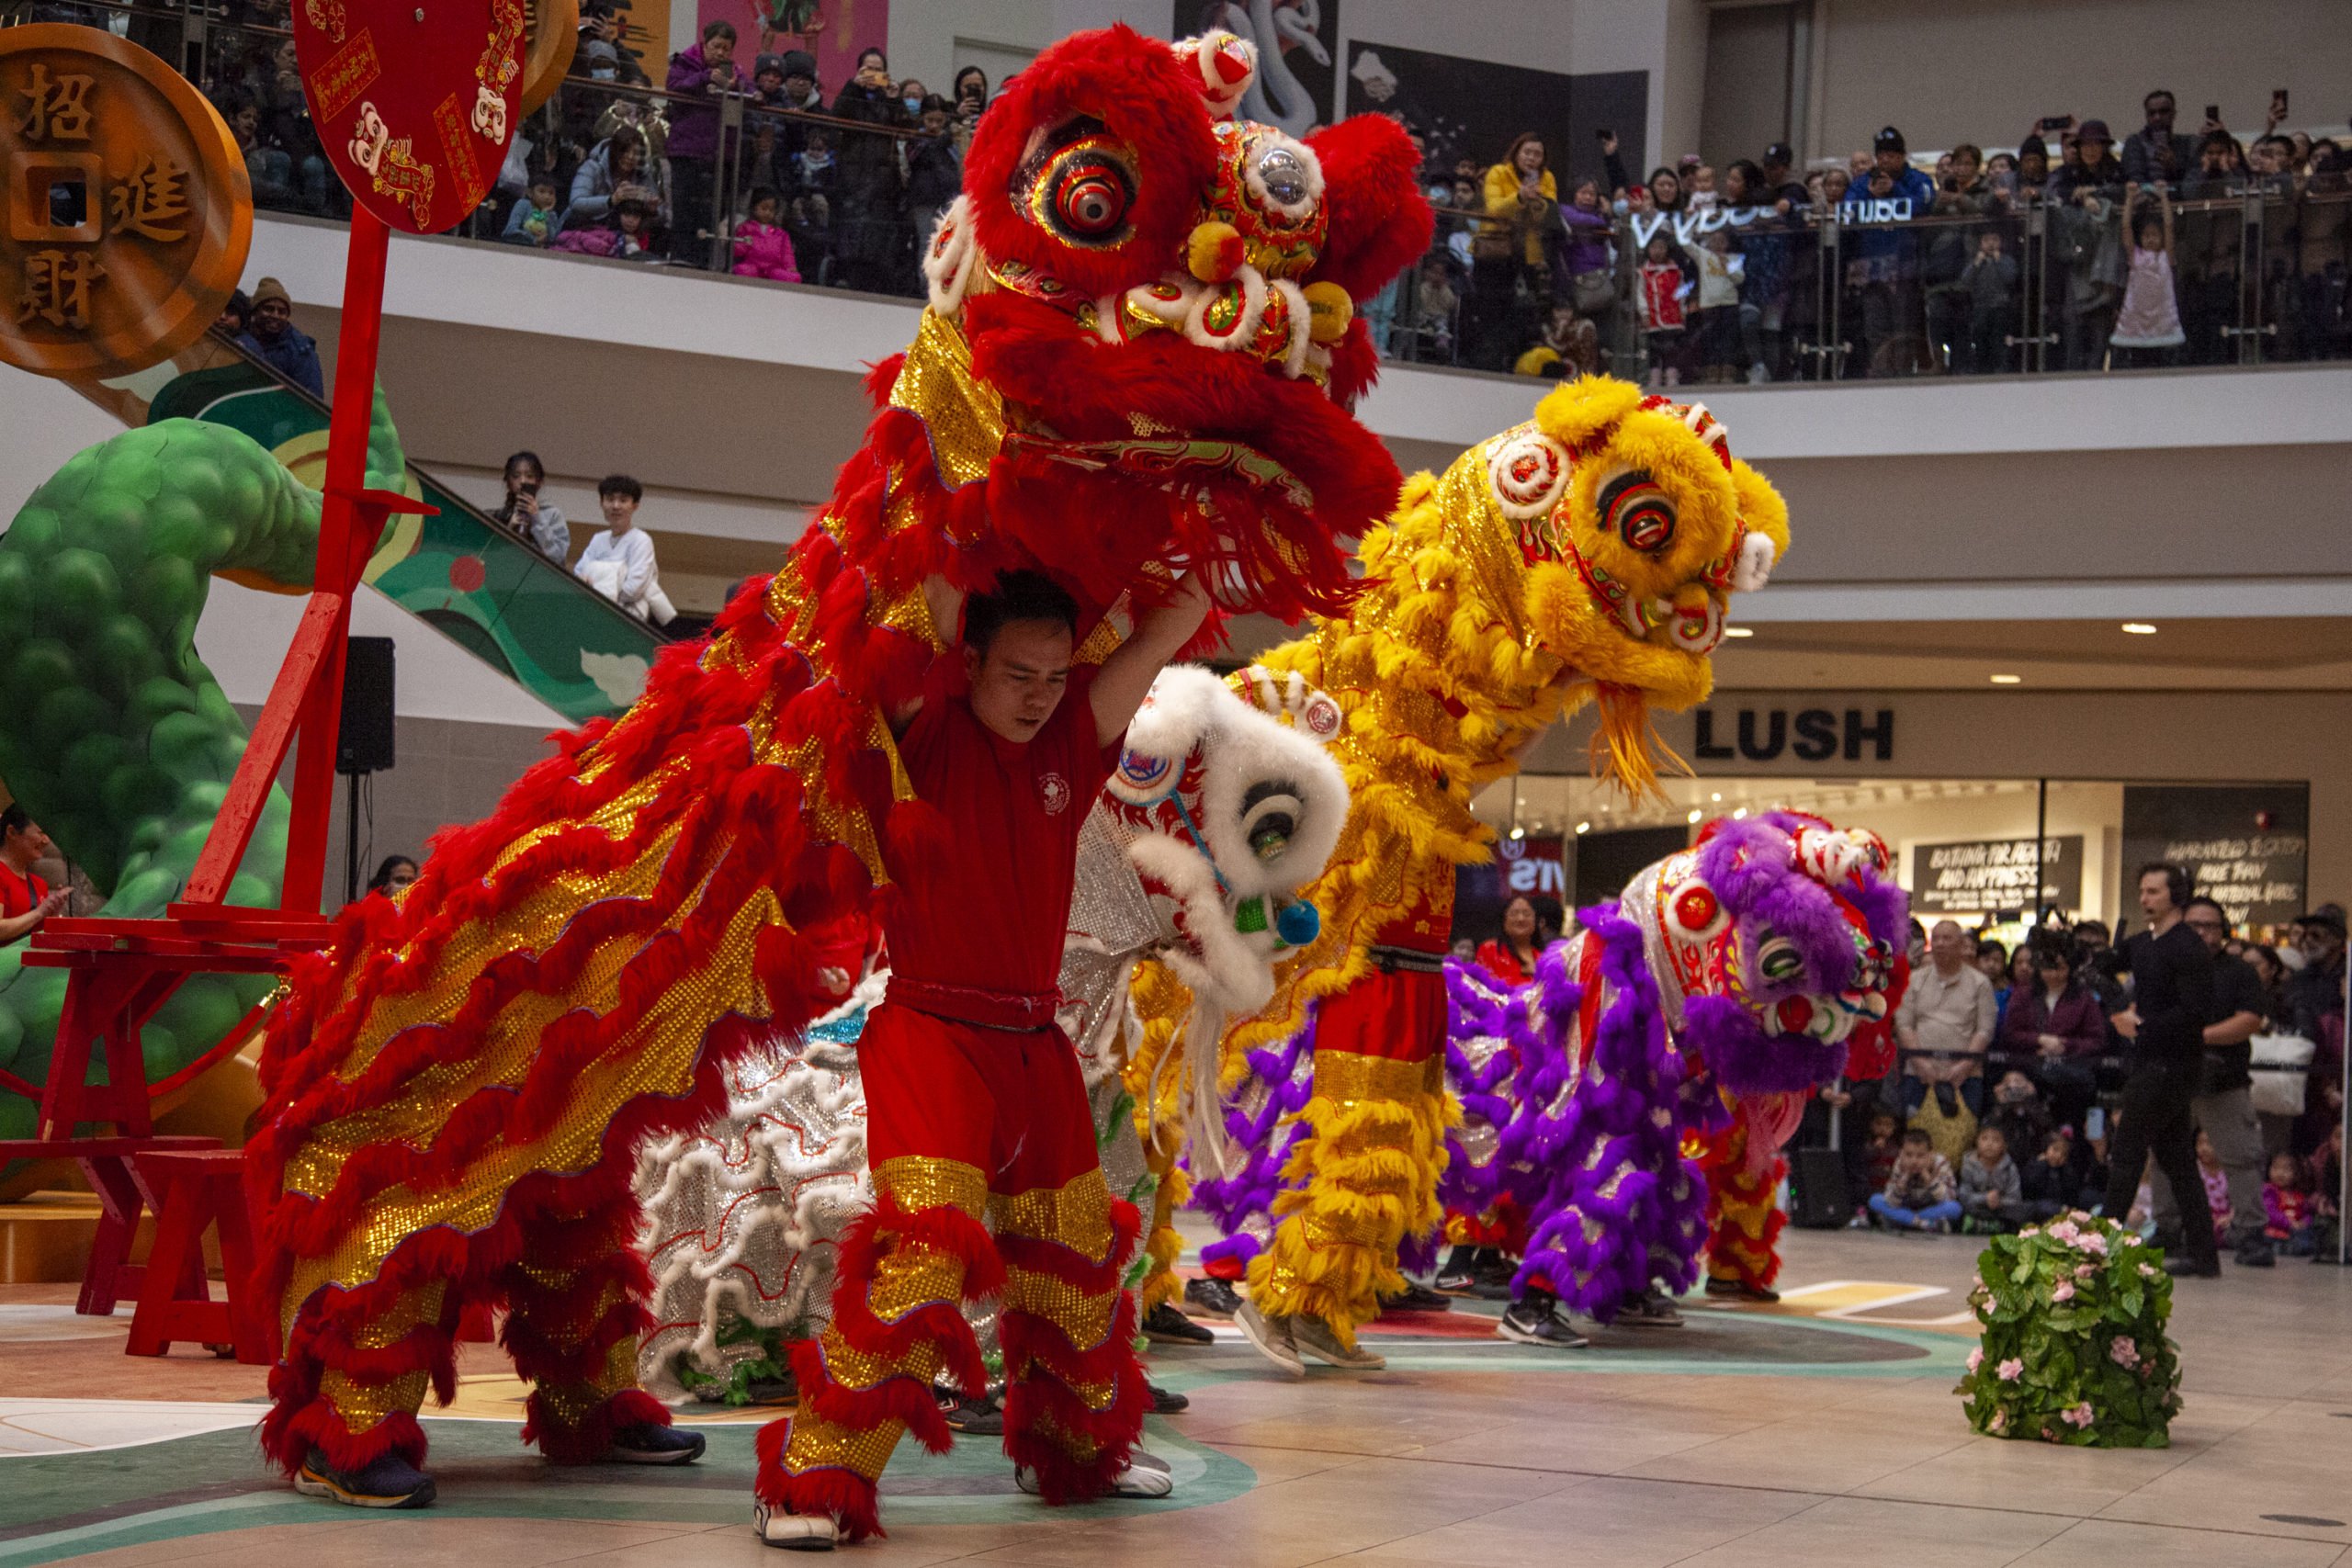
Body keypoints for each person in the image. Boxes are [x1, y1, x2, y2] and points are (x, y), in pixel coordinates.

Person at [756, 569, 1211, 1548]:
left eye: (1056, 671)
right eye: (1017, 672)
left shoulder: (1071, 742)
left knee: (1072, 1258)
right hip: (929, 1032)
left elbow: (1169, 623)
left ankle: (1078, 1448)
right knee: (922, 1260)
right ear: (969, 663)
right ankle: (807, 1481)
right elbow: (923, 581)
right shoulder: (929, 730)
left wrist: (1136, 536)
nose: (1040, 691)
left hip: (1035, 1043)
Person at [2143, 897, 2272, 1264]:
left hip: (2224, 1079)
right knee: (2165, 1156)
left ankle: (2250, 1233)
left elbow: (2250, 1021)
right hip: (2170, 1079)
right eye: (2195, 925)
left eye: (2211, 926)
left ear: (2223, 930)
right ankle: (2168, 1228)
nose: (2203, 933)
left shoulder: (2239, 972)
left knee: (2241, 1157)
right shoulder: (2164, 967)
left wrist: (2196, 1036)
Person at [2108, 864, 2221, 1276]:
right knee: (2177, 1161)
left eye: (2153, 892)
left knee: (2128, 1151)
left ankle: (2102, 1249)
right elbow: (2106, 967)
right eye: (2142, 891)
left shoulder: (2188, 947)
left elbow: (2195, 1012)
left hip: (2173, 1065)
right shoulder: (2144, 942)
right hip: (2152, 1061)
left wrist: (2142, 1024)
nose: (2143, 899)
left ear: (2175, 896)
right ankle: (2205, 1256)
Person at [1999, 933, 2107, 1129]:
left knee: (2075, 1127)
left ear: (2070, 968)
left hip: (2072, 1079)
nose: (2053, 974)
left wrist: (2064, 1046)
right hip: (2029, 1073)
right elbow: (2010, 1033)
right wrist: (2039, 1040)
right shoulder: (2023, 995)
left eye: (2060, 968)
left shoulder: (2084, 999)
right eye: (2048, 969)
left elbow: (2097, 1040)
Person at [1470, 132, 1557, 372]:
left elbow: (1549, 214)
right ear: (1517, 153)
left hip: (1527, 256)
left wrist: (1537, 201)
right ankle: (1487, 365)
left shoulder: (1547, 178)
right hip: (1494, 254)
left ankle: (1516, 365)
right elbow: (1495, 209)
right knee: (1491, 313)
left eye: (1537, 154)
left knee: (1522, 315)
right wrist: (1519, 197)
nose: (1531, 158)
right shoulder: (1498, 173)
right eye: (1527, 152)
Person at [1896, 919, 1997, 1119]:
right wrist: (1920, 1062)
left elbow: (1984, 1030)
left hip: (1966, 1076)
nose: (1940, 943)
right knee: (1917, 1139)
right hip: (1919, 1073)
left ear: (1961, 944)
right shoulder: (1915, 979)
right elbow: (1904, 1024)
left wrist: (1965, 1066)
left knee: (1960, 1139)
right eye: (1936, 939)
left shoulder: (1980, 983)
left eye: (1947, 938)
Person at [830, 48, 910, 294]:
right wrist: (854, 87)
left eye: (878, 70)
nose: (872, 75)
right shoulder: (852, 94)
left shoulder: (888, 99)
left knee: (877, 237)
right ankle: (846, 278)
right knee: (850, 234)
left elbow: (906, 126)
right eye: (868, 69)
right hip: (851, 177)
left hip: (882, 180)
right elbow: (837, 116)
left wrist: (895, 98)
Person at [665, 19, 743, 265]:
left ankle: (701, 262)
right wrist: (705, 77)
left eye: (726, 49)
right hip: (685, 149)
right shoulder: (684, 62)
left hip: (719, 153)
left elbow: (749, 91)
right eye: (716, 46)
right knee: (683, 207)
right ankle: (679, 257)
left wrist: (737, 86)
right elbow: (674, 86)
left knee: (710, 212)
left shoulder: (734, 71)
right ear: (705, 43)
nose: (721, 53)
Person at [572, 474, 669, 623]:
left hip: (628, 618)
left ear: (635, 505)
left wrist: (596, 582)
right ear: (602, 503)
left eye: (623, 500)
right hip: (592, 614)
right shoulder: (598, 539)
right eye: (610, 499)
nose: (616, 506)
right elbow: (579, 574)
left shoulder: (641, 540)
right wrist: (616, 577)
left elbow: (634, 589)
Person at [2110, 183, 2185, 367]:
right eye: (2146, 235)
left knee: (2159, 362)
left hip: (2161, 318)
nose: (2150, 238)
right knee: (2138, 361)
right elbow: (2126, 227)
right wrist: (2130, 199)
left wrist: (2164, 198)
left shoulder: (2166, 256)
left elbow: (2168, 225)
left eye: (2154, 235)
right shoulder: (2136, 256)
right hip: (2137, 317)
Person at [235, 277, 324, 398]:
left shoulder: (301, 352)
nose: (275, 315)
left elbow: (312, 401)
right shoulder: (239, 339)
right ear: (255, 312)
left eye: (282, 311)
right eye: (269, 309)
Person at [0, 804, 70, 945]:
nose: (46, 840)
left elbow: (36, 937)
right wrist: (40, 913)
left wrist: (53, 915)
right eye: (41, 832)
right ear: (12, 832)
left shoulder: (39, 884)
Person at [1870, 1128, 1960, 1232]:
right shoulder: (1900, 1163)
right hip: (1906, 1207)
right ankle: (1921, 1223)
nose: (1914, 1161)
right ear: (1901, 1153)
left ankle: (1907, 1221)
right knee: (1875, 1200)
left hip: (1929, 1208)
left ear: (1930, 1154)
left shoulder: (1940, 1164)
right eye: (1908, 1155)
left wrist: (1930, 1181)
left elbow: (1950, 1197)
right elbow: (1891, 1201)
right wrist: (1902, 1183)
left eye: (1920, 1156)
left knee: (1954, 1208)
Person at [495, 450, 571, 564]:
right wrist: (509, 530)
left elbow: (559, 559)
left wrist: (537, 518)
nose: (522, 481)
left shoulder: (553, 515)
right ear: (509, 483)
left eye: (529, 476)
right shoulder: (500, 515)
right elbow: (493, 558)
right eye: (516, 476)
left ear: (539, 482)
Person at [1635, 229, 1690, 387]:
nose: (1658, 251)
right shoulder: (1643, 273)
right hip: (1653, 316)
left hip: (1672, 316)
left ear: (1668, 249)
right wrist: (1644, 312)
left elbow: (1681, 293)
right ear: (1648, 249)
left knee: (1672, 347)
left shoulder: (1676, 272)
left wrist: (1683, 310)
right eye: (1654, 247)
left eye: (1661, 247)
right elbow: (1640, 293)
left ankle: (1671, 374)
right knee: (1654, 347)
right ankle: (1654, 376)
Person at [2122, 90, 2196, 187]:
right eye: (2152, 113)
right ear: (2147, 116)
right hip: (2146, 199)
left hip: (2179, 201)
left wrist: (2174, 166)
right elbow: (2136, 179)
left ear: (2173, 114)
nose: (2157, 117)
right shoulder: (2135, 142)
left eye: (2163, 111)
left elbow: (2194, 182)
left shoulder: (2187, 143)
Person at [1958, 1123, 2022, 1233]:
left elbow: (2015, 1198)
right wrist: (1985, 1198)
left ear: (2004, 1145)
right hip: (1977, 1207)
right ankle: (1993, 1226)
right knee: (1958, 1208)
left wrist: (1999, 1201)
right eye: (1984, 1138)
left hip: (2000, 1208)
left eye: (1996, 1140)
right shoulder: (1969, 1164)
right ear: (1976, 1142)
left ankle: (1987, 1226)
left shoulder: (2009, 1167)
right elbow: (1964, 1195)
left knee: (2022, 1210)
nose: (1989, 1144)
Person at [730, 187, 803, 282]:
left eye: (771, 210)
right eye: (764, 208)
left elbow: (787, 254)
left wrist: (791, 267)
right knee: (742, 270)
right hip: (752, 265)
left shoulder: (781, 234)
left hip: (774, 269)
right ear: (754, 208)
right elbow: (736, 251)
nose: (768, 213)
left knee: (794, 277)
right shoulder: (745, 228)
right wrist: (744, 244)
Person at [1475, 895, 1544, 985]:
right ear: (1504, 920)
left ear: (1535, 921)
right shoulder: (1489, 950)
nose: (1521, 919)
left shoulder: (1542, 958)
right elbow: (1481, 988)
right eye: (1514, 914)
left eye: (1527, 914)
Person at [2265, 1151, 2321, 1255]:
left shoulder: (2298, 1196)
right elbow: (2270, 1213)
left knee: (2307, 1234)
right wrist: (2289, 1223)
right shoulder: (2269, 1191)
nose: (2280, 1173)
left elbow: (2305, 1213)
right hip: (2273, 1233)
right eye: (2276, 1168)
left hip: (2293, 1233)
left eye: (2286, 1170)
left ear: (2296, 1174)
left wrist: (2304, 1222)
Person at [2018, 1130, 2078, 1222]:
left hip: (2058, 1207)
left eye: (2064, 1154)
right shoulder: (2035, 1164)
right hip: (2036, 1206)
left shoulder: (2066, 1170)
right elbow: (2029, 1187)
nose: (2058, 1155)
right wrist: (2042, 1165)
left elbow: (2070, 1193)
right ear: (2046, 1148)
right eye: (2055, 1149)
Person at [503, 175, 563, 247]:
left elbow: (554, 239)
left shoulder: (552, 214)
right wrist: (533, 239)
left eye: (551, 193)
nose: (547, 197)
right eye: (541, 191)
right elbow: (510, 230)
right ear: (530, 193)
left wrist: (546, 213)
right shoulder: (523, 204)